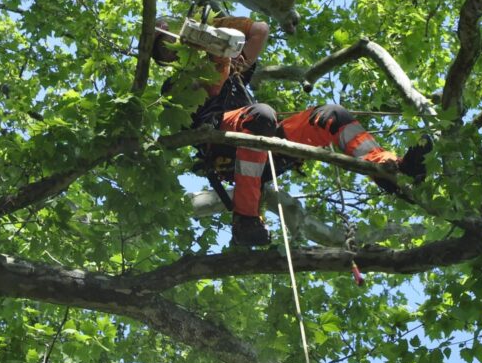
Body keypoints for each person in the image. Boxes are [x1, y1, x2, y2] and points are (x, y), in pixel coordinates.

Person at [152, 15, 430, 246]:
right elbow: (213, 85)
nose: (174, 45)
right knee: (261, 115)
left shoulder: (229, 64)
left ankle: (386, 167)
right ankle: (246, 218)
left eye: (174, 36)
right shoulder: (175, 87)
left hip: (265, 144)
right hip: (228, 149)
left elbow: (259, 31)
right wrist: (217, 54)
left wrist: (219, 27)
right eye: (166, 47)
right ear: (166, 59)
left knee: (332, 115)